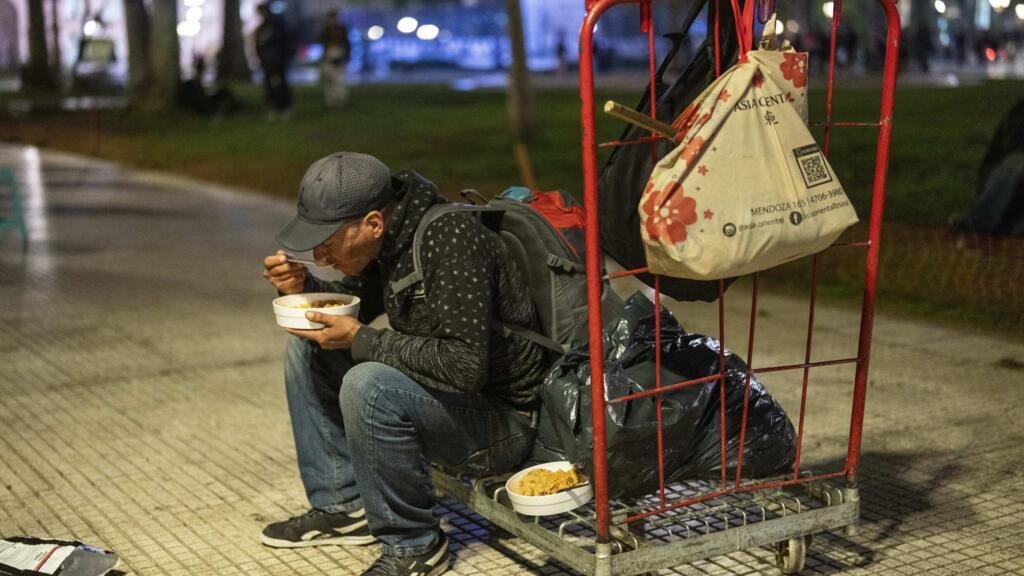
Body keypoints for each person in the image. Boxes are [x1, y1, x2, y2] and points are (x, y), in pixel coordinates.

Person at [260, 152, 546, 576]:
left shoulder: (448, 240)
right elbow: (350, 309)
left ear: (373, 222)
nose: (319, 253)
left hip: (505, 424)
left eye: (328, 240)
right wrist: (304, 286)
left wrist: (362, 340)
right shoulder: (394, 240)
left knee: (367, 384)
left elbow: (466, 366)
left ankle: (415, 545)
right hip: (453, 400)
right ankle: (343, 506)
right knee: (308, 347)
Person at [255, 2, 293, 119]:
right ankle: (274, 106)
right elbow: (258, 46)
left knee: (280, 83)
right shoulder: (262, 28)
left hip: (277, 59)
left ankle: (283, 107)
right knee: (270, 84)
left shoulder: (275, 25)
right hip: (268, 60)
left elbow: (283, 42)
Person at [318, 9, 351, 108]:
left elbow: (346, 43)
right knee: (329, 81)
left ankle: (341, 100)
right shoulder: (326, 29)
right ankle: (331, 101)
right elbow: (320, 39)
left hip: (338, 56)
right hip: (328, 57)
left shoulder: (341, 29)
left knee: (339, 80)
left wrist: (346, 55)